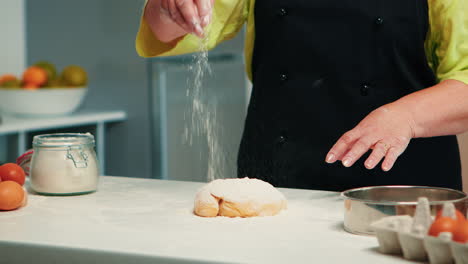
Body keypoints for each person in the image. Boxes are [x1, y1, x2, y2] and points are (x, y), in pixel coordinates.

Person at [136, 0, 468, 191]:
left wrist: (406, 117)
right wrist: (170, 9)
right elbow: (169, 29)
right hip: (277, 182)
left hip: (400, 193)